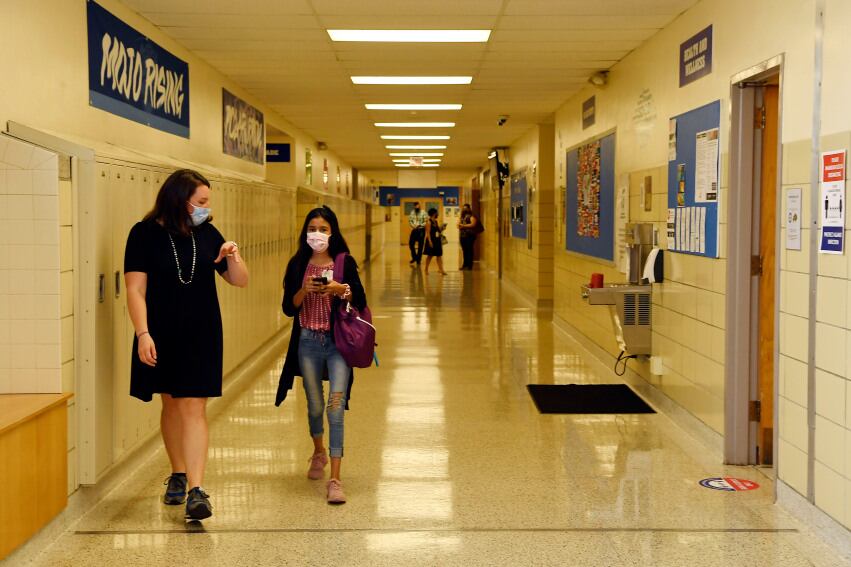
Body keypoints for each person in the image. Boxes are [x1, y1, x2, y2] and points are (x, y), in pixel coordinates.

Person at [124, 169, 249, 521]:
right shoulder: (144, 234)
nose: (206, 209)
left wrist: (233, 254)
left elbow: (240, 282)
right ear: (181, 199)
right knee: (171, 404)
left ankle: (196, 489)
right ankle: (177, 473)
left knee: (193, 406)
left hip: (202, 331)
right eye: (202, 202)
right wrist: (142, 333)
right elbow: (135, 289)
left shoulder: (208, 233)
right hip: (159, 331)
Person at [276, 206, 367, 505]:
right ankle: (319, 451)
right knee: (315, 404)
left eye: (324, 229)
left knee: (335, 406)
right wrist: (304, 290)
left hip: (337, 343)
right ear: (306, 232)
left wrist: (341, 289)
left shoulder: (344, 262)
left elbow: (361, 299)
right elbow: (289, 308)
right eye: (313, 228)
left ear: (333, 232)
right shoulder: (298, 263)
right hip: (308, 342)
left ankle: (336, 479)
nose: (318, 234)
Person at [422, 208, 447, 276]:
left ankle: (441, 269)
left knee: (439, 255)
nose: (437, 214)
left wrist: (442, 228)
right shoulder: (428, 222)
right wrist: (430, 242)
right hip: (431, 240)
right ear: (433, 214)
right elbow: (428, 233)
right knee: (430, 256)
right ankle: (426, 269)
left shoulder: (435, 221)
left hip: (437, 240)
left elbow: (438, 230)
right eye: (436, 213)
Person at [458, 204, 481, 270]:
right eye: (464, 208)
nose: (465, 209)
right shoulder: (462, 216)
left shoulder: (472, 216)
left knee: (469, 250)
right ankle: (465, 264)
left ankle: (470, 266)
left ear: (469, 209)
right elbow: (459, 224)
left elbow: (473, 224)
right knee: (464, 250)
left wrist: (463, 226)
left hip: (470, 236)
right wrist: (459, 225)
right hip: (462, 236)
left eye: (466, 208)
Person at [408, 201, 428, 265]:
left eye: (418, 205)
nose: (417, 207)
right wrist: (414, 226)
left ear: (419, 206)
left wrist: (420, 225)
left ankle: (418, 260)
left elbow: (426, 221)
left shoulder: (423, 212)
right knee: (411, 244)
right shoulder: (412, 213)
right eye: (415, 206)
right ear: (414, 206)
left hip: (421, 230)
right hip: (414, 229)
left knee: (420, 246)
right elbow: (410, 221)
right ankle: (414, 257)